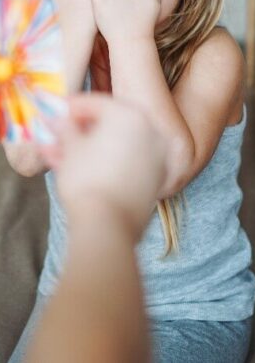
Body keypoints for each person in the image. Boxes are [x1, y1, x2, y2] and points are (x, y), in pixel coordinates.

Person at [5, 0, 255, 362]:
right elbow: (25, 156)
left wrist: (128, 34)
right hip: (72, 295)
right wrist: (70, 27)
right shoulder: (35, 32)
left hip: (192, 312)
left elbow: (164, 171)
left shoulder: (213, 54)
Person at [28, 93, 168, 363]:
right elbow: (27, 159)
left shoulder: (215, 56)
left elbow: (168, 165)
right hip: (67, 289)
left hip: (187, 309)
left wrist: (99, 204)